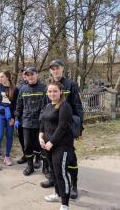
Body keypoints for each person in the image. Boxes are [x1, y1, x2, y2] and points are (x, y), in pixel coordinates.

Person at [40, 59, 83, 200]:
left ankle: (73, 186)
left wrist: (79, 127)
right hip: (51, 129)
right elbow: (46, 108)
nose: (55, 71)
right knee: (51, 157)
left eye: (57, 68)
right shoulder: (50, 87)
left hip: (66, 129)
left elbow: (77, 106)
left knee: (70, 158)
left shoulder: (71, 84)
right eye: (52, 69)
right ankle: (55, 181)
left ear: (62, 69)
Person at [40, 81, 73, 210]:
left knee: (61, 173)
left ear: (60, 92)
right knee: (53, 171)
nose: (52, 93)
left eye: (55, 91)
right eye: (50, 91)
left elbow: (62, 127)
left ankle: (65, 204)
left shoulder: (65, 106)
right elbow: (43, 123)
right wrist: (40, 136)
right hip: (47, 145)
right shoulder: (48, 106)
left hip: (62, 146)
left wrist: (51, 142)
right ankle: (57, 193)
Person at [15, 67, 47, 175]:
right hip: (26, 121)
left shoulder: (44, 88)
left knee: (40, 144)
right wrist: (17, 118)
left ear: (37, 74)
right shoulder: (23, 89)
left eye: (32, 74)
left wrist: (42, 119)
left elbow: (46, 106)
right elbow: (19, 105)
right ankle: (30, 165)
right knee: (27, 144)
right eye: (28, 75)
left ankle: (43, 165)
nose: (30, 77)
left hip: (40, 121)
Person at [0, 70, 19, 170]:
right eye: (0, 77)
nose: (0, 79)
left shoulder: (15, 89)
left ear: (7, 77)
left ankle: (7, 156)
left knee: (10, 136)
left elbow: (16, 105)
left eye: (2, 76)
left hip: (10, 116)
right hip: (0, 115)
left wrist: (14, 118)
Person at [16, 68, 28, 164]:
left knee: (34, 139)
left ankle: (37, 157)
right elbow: (17, 103)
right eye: (24, 74)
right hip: (22, 117)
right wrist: (16, 117)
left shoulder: (41, 87)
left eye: (27, 74)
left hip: (34, 118)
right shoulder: (19, 87)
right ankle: (25, 155)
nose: (25, 76)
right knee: (22, 138)